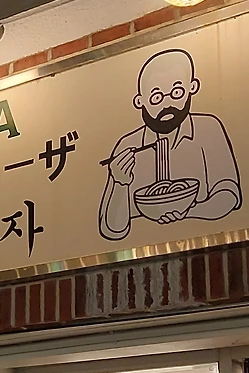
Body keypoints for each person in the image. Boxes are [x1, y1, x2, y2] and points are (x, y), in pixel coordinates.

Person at [98, 48, 241, 241]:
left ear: (192, 87)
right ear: (140, 101)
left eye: (176, 92)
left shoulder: (208, 128)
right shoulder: (128, 145)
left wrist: (189, 212)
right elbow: (112, 230)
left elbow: (228, 193)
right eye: (156, 97)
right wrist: (120, 183)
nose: (167, 104)